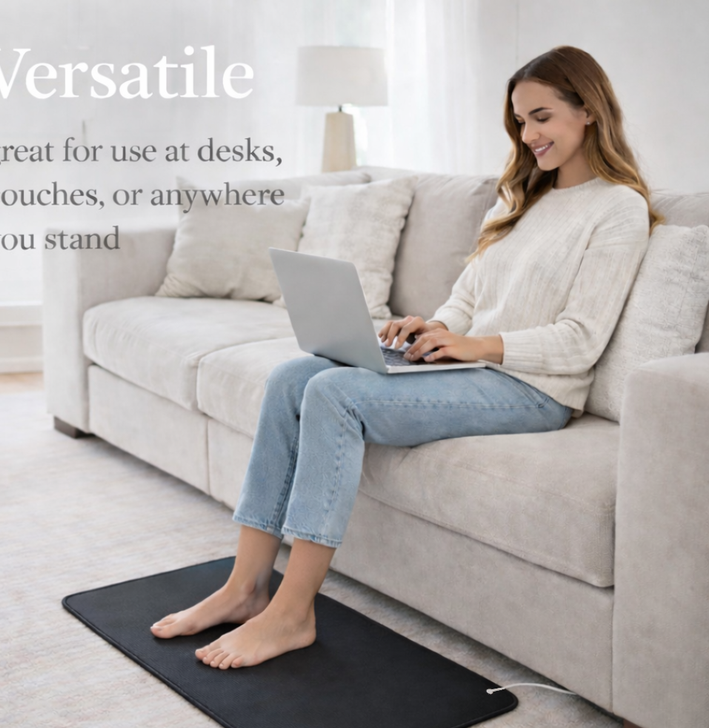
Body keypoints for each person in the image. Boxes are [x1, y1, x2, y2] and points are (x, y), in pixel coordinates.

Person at [150, 45, 663, 669]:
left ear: (589, 111)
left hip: (536, 389)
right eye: (520, 121)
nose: (528, 135)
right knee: (291, 377)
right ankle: (245, 588)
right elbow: (470, 298)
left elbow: (582, 337)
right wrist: (436, 328)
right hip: (474, 368)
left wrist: (474, 345)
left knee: (332, 394)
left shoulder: (618, 209)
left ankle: (292, 613)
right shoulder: (517, 199)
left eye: (542, 117)